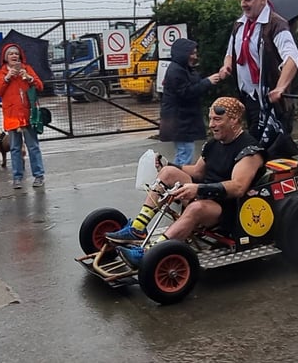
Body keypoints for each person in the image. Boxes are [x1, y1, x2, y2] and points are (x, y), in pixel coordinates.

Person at [106, 97, 264, 267]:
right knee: (168, 173)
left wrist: (199, 189)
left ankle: (152, 252)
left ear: (234, 120)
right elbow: (197, 171)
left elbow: (238, 187)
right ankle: (137, 229)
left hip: (228, 208)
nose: (211, 124)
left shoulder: (249, 150)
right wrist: (169, 164)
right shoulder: (213, 144)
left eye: (217, 119)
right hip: (205, 195)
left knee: (196, 207)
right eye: (210, 119)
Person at [219, 0, 298, 155]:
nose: (243, 4)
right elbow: (230, 52)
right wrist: (226, 66)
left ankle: (284, 178)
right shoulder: (240, 25)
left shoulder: (276, 24)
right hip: (248, 96)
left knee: (272, 145)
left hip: (271, 99)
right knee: (257, 144)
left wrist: (280, 87)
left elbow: (292, 58)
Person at [0, 44, 46, 189]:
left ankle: (38, 175)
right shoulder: (0, 73)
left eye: (16, 53)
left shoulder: (27, 69)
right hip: (12, 117)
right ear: (5, 57)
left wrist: (29, 78)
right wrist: (7, 78)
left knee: (33, 146)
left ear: (20, 56)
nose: (14, 56)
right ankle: (17, 177)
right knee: (15, 148)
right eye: (11, 54)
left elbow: (40, 86)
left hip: (28, 115)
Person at [159, 38, 220, 166]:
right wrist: (207, 82)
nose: (195, 56)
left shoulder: (183, 68)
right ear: (183, 53)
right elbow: (186, 92)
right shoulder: (176, 71)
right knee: (185, 153)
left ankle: (173, 179)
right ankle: (175, 180)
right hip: (179, 120)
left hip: (182, 120)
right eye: (192, 53)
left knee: (184, 152)